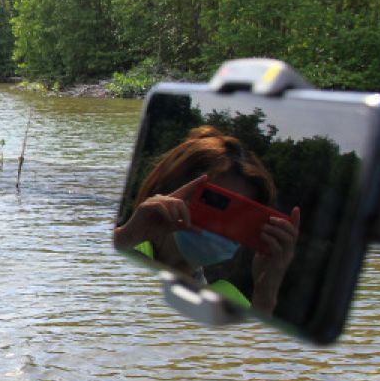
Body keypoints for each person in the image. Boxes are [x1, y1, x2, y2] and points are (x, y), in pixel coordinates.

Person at [114, 125, 299, 314]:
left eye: (241, 217)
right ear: (171, 192)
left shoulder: (234, 303)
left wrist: (266, 296)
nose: (224, 226)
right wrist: (124, 239)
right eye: (217, 203)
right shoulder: (121, 253)